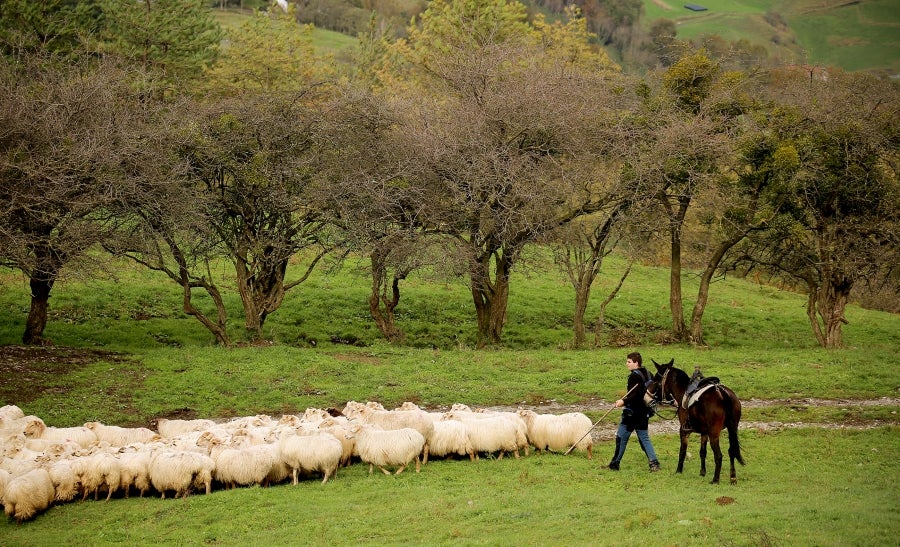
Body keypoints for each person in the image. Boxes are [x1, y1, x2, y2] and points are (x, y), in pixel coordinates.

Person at [607, 352, 660, 472]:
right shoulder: (649, 374)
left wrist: (623, 402)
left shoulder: (634, 377)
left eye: (629, 362)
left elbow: (635, 395)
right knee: (644, 438)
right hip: (644, 412)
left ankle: (615, 464)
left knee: (621, 437)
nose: (627, 364)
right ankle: (654, 463)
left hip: (632, 413)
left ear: (636, 363)